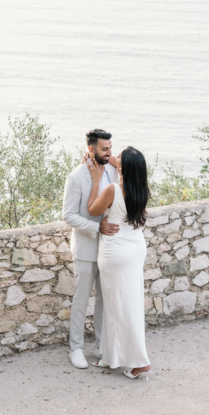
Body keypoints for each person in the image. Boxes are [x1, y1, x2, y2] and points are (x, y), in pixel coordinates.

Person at [87, 145, 152, 379]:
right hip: (135, 249)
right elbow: (119, 163)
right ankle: (112, 356)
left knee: (119, 308)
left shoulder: (113, 189)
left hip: (115, 253)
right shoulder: (141, 188)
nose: (114, 159)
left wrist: (96, 179)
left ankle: (139, 362)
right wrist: (110, 159)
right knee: (127, 305)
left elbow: (93, 210)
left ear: (123, 167)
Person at [61, 128, 120, 370]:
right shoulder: (76, 177)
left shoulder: (115, 170)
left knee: (104, 300)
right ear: (90, 149)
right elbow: (69, 216)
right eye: (104, 149)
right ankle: (75, 348)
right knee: (81, 299)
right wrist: (97, 229)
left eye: (110, 148)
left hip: (109, 248)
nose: (109, 153)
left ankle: (100, 347)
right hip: (86, 248)